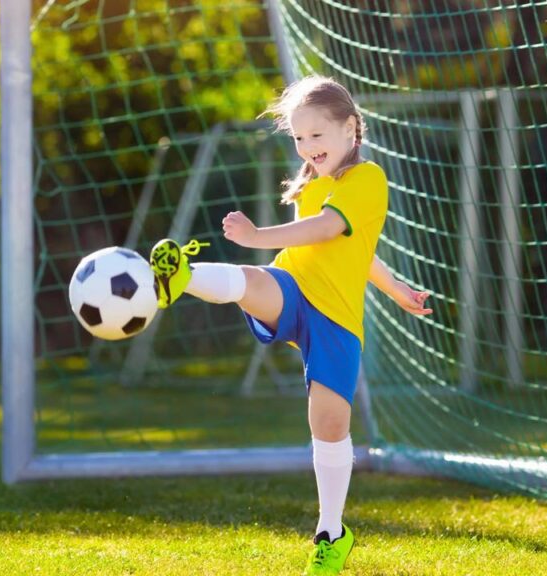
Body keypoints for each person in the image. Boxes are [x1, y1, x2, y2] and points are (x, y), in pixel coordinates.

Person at [149, 75, 433, 575]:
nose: (307, 147)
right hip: (294, 286)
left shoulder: (367, 181)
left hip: (336, 318)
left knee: (328, 424)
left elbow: (336, 234)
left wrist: (397, 292)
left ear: (350, 128)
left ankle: (331, 532)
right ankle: (182, 276)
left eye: (316, 136)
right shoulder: (311, 183)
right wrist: (265, 245)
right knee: (256, 282)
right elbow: (325, 241)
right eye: (299, 138)